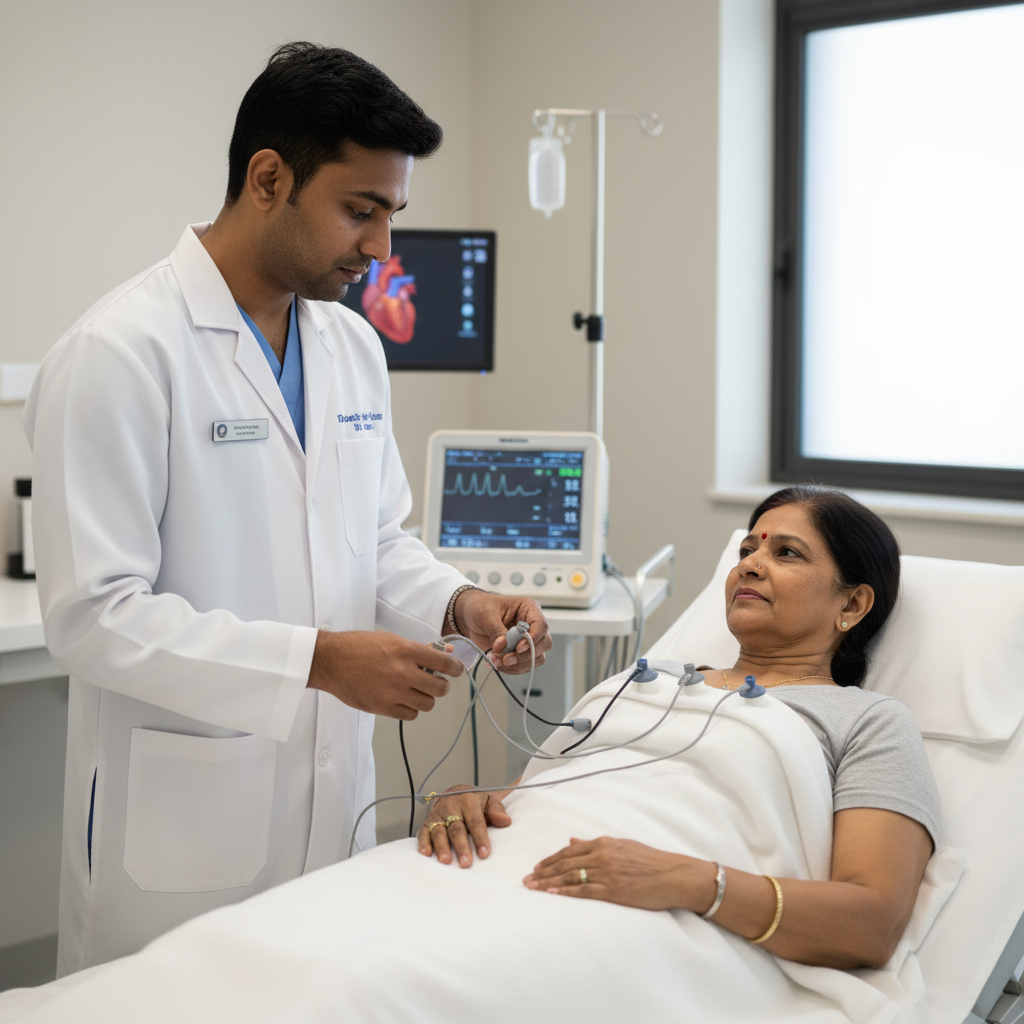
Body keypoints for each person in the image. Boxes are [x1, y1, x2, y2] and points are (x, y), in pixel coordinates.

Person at [24, 42, 551, 976]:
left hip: (330, 806)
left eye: (393, 214)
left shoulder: (350, 347)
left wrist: (456, 603)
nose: (383, 248)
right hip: (181, 830)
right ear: (269, 178)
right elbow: (90, 618)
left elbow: (377, 539)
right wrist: (318, 661)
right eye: (362, 210)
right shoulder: (121, 352)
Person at [420, 485, 938, 970]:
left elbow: (873, 923)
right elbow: (523, 795)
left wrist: (692, 881)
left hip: (643, 921)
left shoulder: (869, 721)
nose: (751, 565)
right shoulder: (648, 681)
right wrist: (468, 801)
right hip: (483, 870)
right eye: (746, 551)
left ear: (851, 604)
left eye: (786, 553)